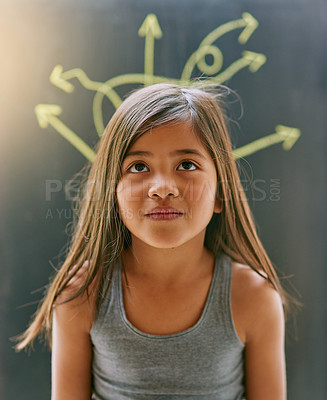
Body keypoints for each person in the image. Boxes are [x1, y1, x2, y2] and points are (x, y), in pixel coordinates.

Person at [16, 83, 288, 399]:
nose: (162, 188)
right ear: (111, 194)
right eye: (139, 167)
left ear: (221, 192)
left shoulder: (253, 298)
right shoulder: (82, 294)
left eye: (186, 165)